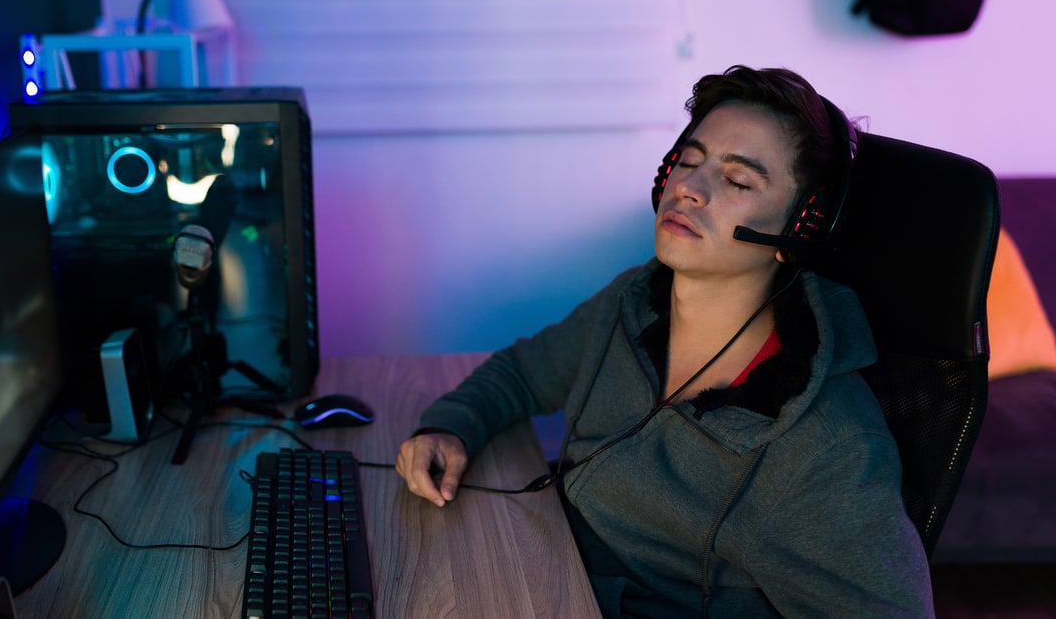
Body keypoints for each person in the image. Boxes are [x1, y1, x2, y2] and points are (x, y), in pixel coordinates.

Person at [394, 65, 934, 617]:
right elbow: (524, 372)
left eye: (737, 181)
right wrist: (451, 426)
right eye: (689, 161)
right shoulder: (634, 300)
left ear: (799, 230)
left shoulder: (826, 449)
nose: (690, 189)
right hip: (540, 575)